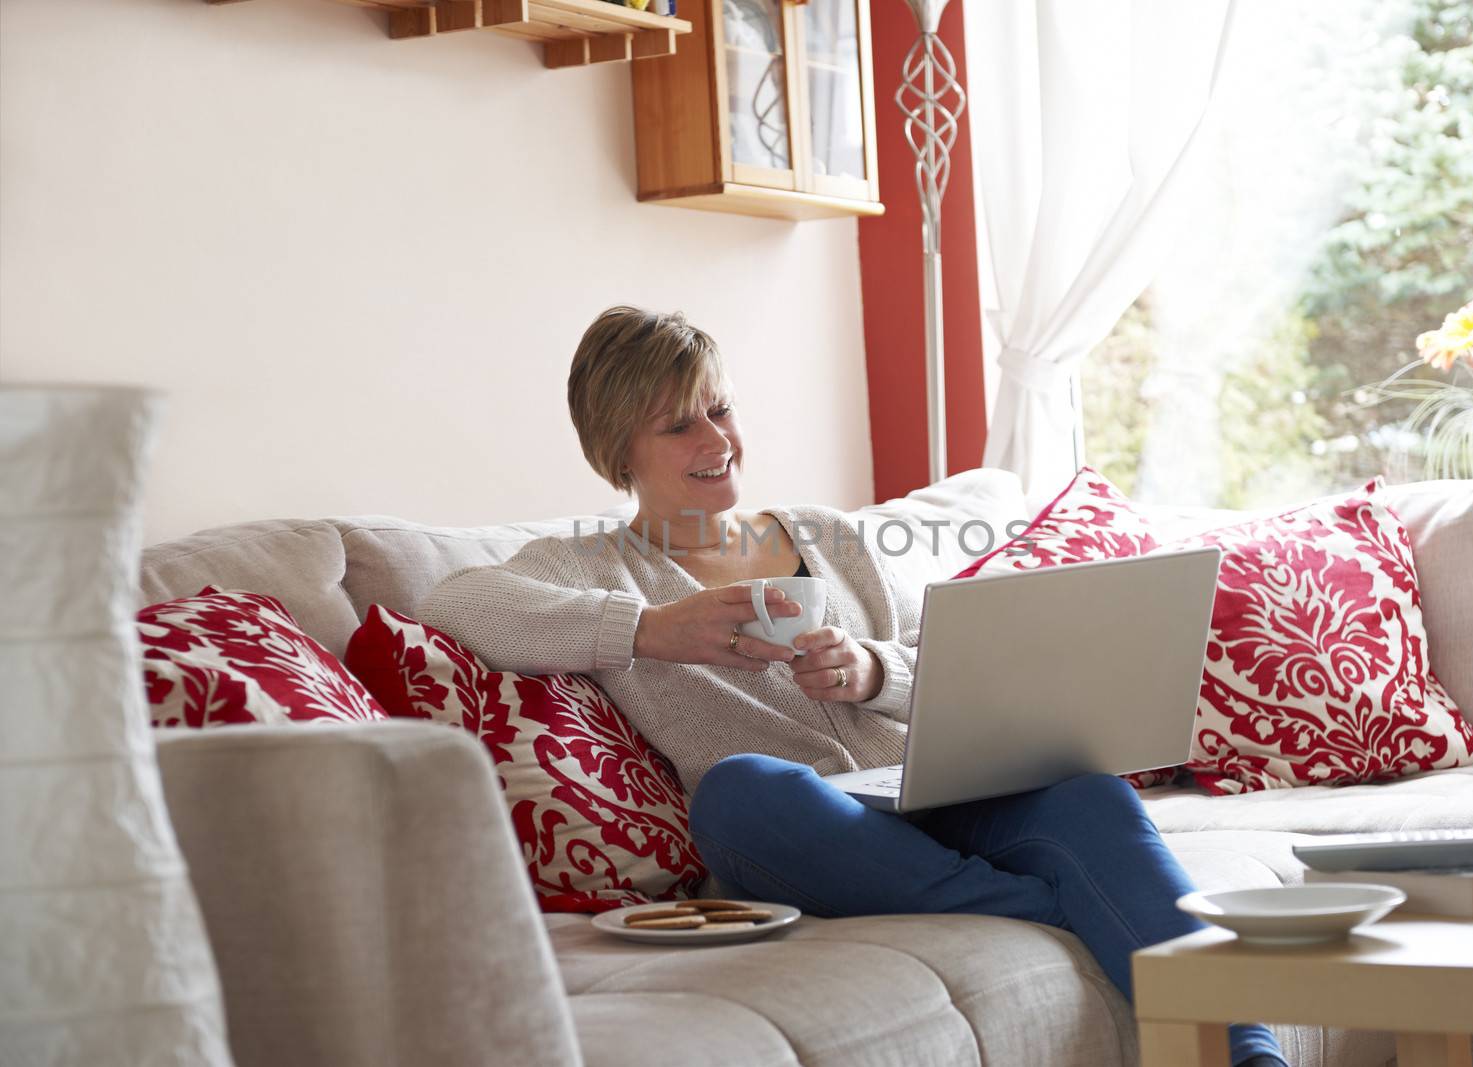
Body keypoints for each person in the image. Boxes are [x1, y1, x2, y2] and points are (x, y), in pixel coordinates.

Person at [419, 306, 1289, 1067]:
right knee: (736, 791)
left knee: (1088, 794)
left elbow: (943, 656)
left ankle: (1248, 1057)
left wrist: (872, 670)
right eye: (680, 424)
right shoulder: (589, 567)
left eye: (719, 408)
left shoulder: (831, 537)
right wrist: (652, 629)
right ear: (619, 449)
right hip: (807, 826)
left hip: (933, 789)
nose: (718, 441)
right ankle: (1054, 901)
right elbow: (455, 602)